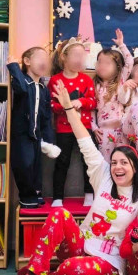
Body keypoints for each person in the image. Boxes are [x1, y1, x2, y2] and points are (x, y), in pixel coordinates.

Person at [0, 80, 138, 275]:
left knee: (73, 270)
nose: (117, 167)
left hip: (108, 264)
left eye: (124, 162)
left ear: (136, 166)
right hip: (80, 246)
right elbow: (84, 139)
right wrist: (68, 107)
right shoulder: (103, 175)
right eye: (114, 162)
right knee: (59, 213)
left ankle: (45, 274)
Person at [7, 47, 60, 208]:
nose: (44, 62)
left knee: (36, 166)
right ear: (27, 61)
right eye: (39, 58)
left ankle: (36, 193)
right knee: (24, 164)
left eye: (46, 60)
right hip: (22, 133)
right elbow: (21, 89)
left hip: (36, 135)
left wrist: (48, 140)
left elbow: (46, 116)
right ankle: (26, 196)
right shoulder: (23, 81)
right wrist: (14, 67)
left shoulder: (43, 89)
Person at [49, 37, 96, 207]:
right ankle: (57, 197)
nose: (80, 60)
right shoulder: (55, 80)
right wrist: (66, 106)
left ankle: (89, 194)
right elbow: (52, 105)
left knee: (88, 161)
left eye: (82, 56)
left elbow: (93, 102)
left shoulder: (87, 80)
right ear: (64, 57)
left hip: (84, 128)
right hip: (64, 129)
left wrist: (81, 102)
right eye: (76, 55)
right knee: (62, 162)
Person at [93, 29, 134, 160]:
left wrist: (121, 44)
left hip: (122, 130)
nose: (102, 66)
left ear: (118, 67)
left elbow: (130, 62)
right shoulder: (94, 86)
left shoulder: (120, 81)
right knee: (106, 163)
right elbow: (91, 110)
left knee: (123, 160)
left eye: (107, 63)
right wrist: (94, 128)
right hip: (104, 131)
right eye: (99, 62)